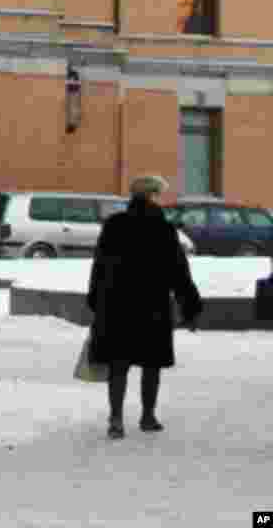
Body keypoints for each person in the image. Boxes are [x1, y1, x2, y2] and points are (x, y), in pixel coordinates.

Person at [87, 175, 202, 440]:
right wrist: (190, 307)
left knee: (118, 364)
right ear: (153, 197)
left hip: (116, 305)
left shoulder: (114, 225)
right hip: (152, 306)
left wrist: (95, 300)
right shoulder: (162, 228)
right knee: (151, 364)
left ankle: (116, 418)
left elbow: (100, 266)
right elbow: (179, 272)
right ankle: (147, 416)